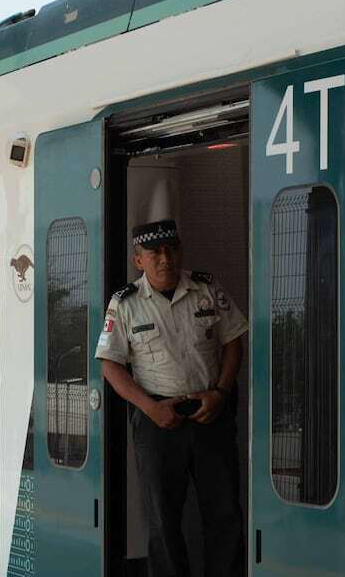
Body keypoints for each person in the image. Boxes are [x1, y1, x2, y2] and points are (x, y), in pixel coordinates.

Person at [95, 219, 248, 577]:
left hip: (211, 413)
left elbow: (233, 344)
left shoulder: (206, 289)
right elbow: (110, 366)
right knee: (163, 521)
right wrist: (149, 408)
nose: (166, 259)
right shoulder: (126, 303)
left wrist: (221, 393)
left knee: (224, 513)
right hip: (158, 420)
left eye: (172, 249)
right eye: (155, 252)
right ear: (139, 260)